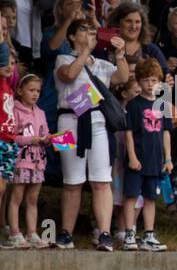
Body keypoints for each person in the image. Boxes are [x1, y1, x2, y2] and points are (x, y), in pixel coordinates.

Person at [53, 20, 131, 250]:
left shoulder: (102, 64)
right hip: (66, 123)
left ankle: (105, 233)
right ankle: (66, 233)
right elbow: (68, 75)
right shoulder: (63, 58)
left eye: (92, 31)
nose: (90, 34)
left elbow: (123, 77)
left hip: (97, 122)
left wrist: (120, 55)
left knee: (101, 180)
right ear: (71, 37)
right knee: (71, 180)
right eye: (84, 31)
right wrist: (86, 50)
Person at [120, 59, 172, 251]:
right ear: (139, 81)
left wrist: (168, 159)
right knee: (132, 196)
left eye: (154, 80)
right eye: (146, 80)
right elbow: (129, 133)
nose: (150, 84)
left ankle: (149, 235)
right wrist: (132, 157)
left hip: (155, 160)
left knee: (151, 198)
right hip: (138, 160)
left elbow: (166, 132)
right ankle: (129, 233)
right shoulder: (134, 105)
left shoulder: (162, 105)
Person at [6, 74, 51, 248]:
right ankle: (15, 233)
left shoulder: (41, 112)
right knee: (16, 197)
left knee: (33, 198)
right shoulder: (15, 111)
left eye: (38, 91)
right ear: (20, 90)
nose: (35, 94)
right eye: (31, 90)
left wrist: (48, 139)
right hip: (21, 161)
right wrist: (29, 140)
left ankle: (32, 233)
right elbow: (12, 137)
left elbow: (45, 133)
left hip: (38, 162)